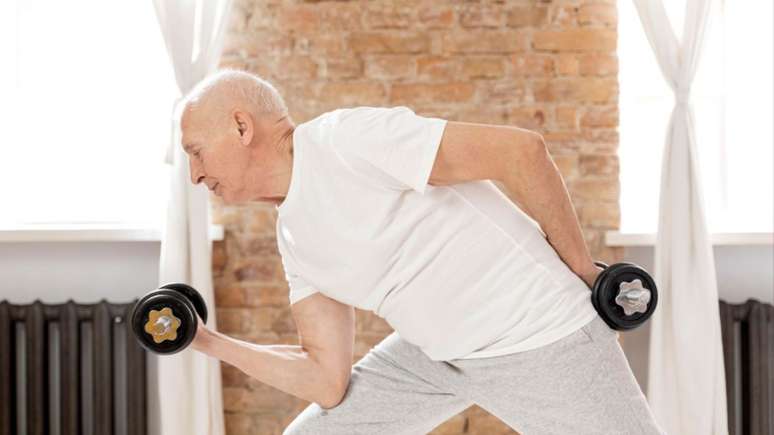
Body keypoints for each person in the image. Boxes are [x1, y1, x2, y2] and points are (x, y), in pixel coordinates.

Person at [179, 68, 665, 434]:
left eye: (195, 152)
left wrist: (582, 273)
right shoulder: (293, 237)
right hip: (435, 356)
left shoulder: (346, 141)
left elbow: (522, 153)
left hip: (541, 336)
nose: (195, 176)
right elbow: (326, 380)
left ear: (242, 127)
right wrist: (206, 340)